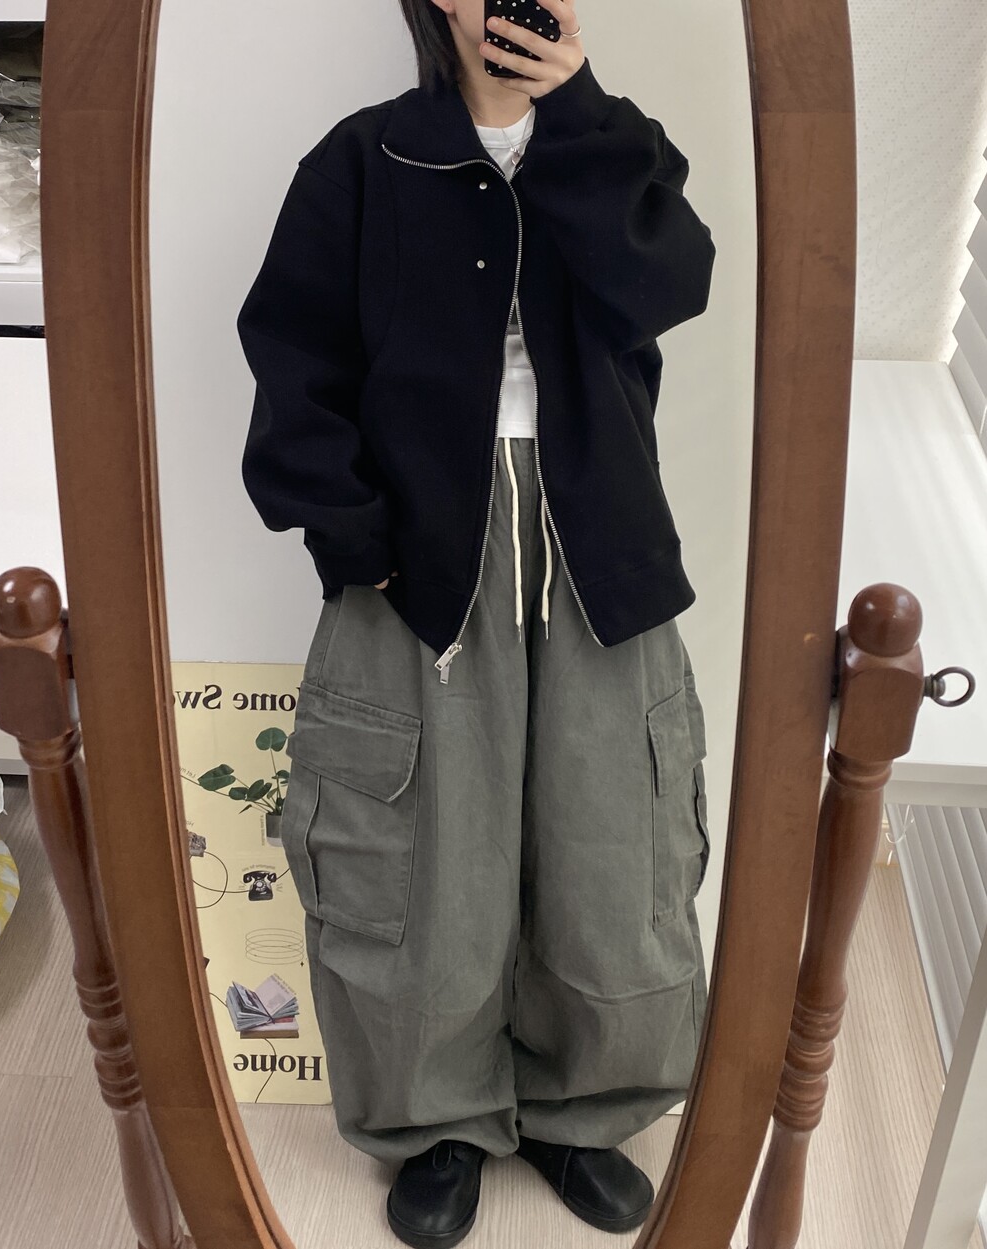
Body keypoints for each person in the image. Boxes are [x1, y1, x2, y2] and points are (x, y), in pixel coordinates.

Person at [236, 1, 716, 1245]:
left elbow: (672, 285)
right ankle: (433, 1121)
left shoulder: (614, 144)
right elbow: (292, 356)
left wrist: (582, 111)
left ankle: (582, 1109)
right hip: (419, 553)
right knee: (415, 858)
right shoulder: (364, 158)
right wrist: (355, 541)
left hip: (598, 543)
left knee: (612, 844)